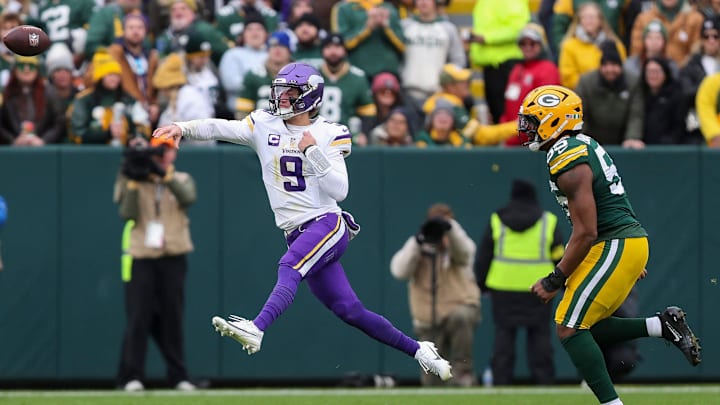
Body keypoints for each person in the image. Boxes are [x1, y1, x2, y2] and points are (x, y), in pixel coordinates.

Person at [152, 62, 453, 382]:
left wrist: (313, 153)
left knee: (289, 266)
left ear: (309, 96)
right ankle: (421, 351)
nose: (281, 99)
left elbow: (340, 190)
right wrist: (182, 128)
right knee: (350, 311)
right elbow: (220, 127)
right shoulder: (264, 124)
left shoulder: (328, 133)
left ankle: (257, 327)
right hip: (296, 231)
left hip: (326, 223)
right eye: (280, 92)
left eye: (290, 93)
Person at [518, 84, 702, 405]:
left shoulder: (567, 156)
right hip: (619, 243)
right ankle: (663, 326)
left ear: (555, 121)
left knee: (568, 326)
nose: (527, 129)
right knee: (586, 325)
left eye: (533, 121)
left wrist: (554, 279)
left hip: (611, 242)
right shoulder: (580, 144)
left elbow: (586, 230)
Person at [113, 135, 197, 392]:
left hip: (173, 255)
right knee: (139, 316)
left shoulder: (180, 178)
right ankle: (132, 376)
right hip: (142, 256)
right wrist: (136, 180)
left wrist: (164, 174)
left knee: (173, 316)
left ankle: (178, 375)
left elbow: (188, 197)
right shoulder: (132, 178)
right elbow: (126, 212)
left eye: (167, 151)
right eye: (158, 152)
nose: (162, 155)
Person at [474, 179, 564, 386]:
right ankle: (545, 383)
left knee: (504, 336)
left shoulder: (497, 219)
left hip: (503, 287)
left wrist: (482, 285)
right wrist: (560, 284)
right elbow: (560, 256)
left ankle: (501, 383)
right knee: (540, 335)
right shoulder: (548, 221)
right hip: (540, 288)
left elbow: (484, 256)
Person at [390, 204, 480, 387]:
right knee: (432, 382)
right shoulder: (420, 244)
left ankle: (463, 371)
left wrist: (451, 230)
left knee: (461, 317)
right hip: (427, 318)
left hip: (458, 307)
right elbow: (399, 271)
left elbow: (466, 254)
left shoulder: (457, 243)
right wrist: (418, 243)